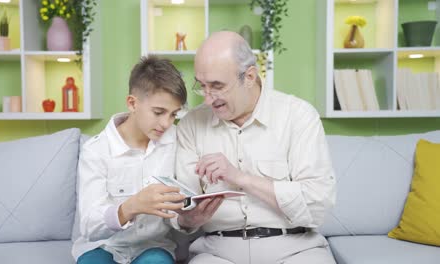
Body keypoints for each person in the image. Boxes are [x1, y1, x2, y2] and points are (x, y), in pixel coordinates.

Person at [174, 31, 337, 263]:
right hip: (218, 252)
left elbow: (317, 205)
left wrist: (239, 177)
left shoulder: (298, 116)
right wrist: (188, 219)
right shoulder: (192, 124)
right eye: (202, 86)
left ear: (249, 76)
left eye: (217, 86)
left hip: (296, 249)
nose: (208, 99)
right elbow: (181, 208)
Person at [72, 56, 188, 264]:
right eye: (159, 112)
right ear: (132, 103)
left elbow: (184, 209)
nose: (166, 123)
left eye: (173, 115)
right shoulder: (96, 151)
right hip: (104, 246)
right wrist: (131, 207)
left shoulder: (178, 142)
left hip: (154, 247)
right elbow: (89, 225)